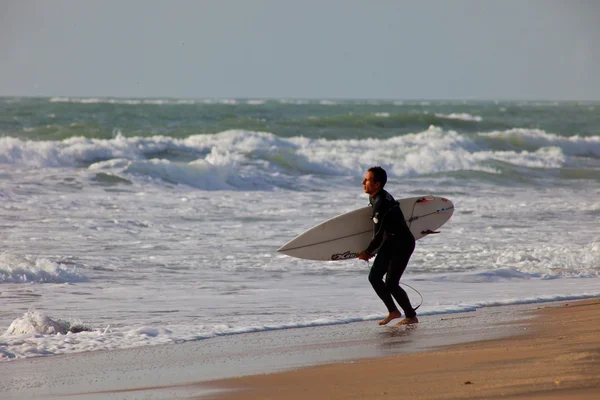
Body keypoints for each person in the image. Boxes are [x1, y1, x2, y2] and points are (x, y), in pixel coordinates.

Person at [357, 166, 418, 325]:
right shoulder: (376, 197)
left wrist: (368, 251)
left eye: (367, 180)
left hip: (403, 244)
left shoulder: (381, 203)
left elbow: (377, 235)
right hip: (390, 241)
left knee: (391, 283)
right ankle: (393, 311)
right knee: (374, 277)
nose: (363, 182)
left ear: (377, 184)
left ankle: (411, 316)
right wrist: (372, 249)